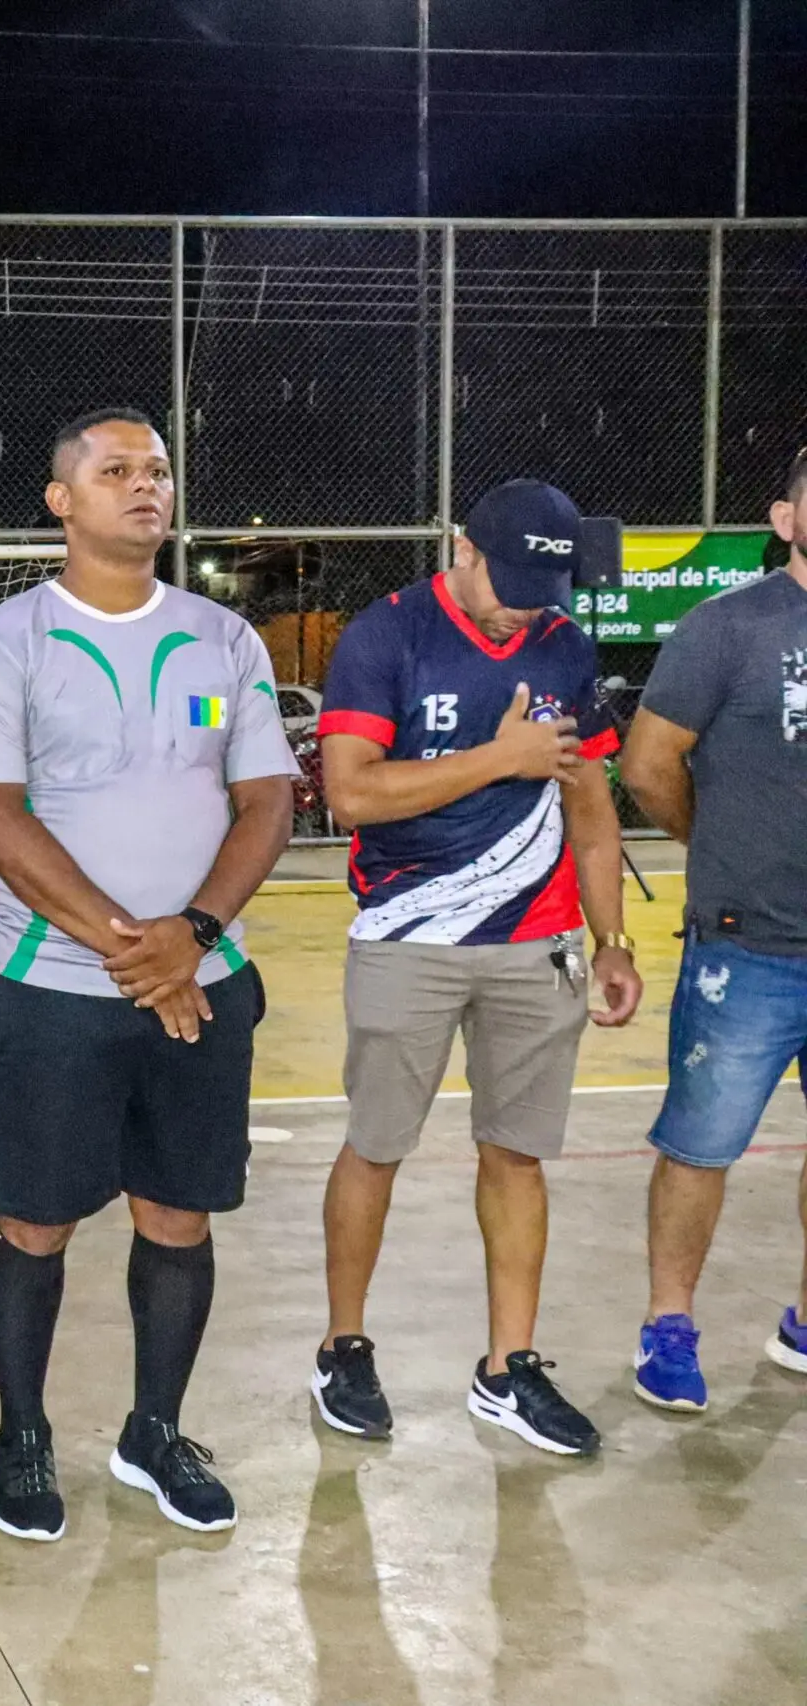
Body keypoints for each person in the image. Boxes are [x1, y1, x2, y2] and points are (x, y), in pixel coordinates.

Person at [0, 409, 296, 1542]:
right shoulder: (9, 641)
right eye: (114, 471)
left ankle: (155, 1431)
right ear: (61, 501)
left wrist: (192, 933)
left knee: (179, 1215)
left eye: (157, 470)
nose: (144, 486)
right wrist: (136, 947)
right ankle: (21, 1436)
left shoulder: (223, 639)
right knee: (36, 1221)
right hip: (54, 989)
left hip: (202, 979)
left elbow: (267, 800)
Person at [310, 478, 640, 1455]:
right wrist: (501, 759)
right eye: (513, 584)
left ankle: (508, 1366)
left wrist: (612, 938)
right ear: (462, 549)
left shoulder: (563, 645)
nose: (526, 608)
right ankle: (342, 1347)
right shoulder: (385, 636)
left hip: (536, 941)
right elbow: (350, 795)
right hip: (407, 935)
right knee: (376, 1145)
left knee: (517, 1153)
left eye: (546, 590)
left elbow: (590, 807)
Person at [619, 445, 807, 1410]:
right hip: (749, 944)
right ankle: (669, 1326)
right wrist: (721, 842)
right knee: (700, 1145)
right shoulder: (726, 627)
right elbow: (648, 766)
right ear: (785, 518)